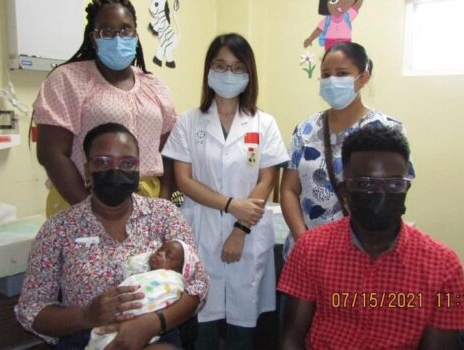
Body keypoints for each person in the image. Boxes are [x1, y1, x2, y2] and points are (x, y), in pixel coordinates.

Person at [16, 123, 208, 350]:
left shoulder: (164, 215)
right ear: (87, 171)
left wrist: (151, 324)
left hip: (156, 332)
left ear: (138, 170)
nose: (115, 171)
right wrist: (86, 315)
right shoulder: (58, 229)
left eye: (127, 163)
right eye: (103, 162)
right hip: (83, 337)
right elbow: (32, 309)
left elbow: (198, 284)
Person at [278, 126, 464, 350]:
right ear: (344, 191)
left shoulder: (445, 268)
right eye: (366, 184)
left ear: (406, 188)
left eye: (394, 184)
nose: (381, 194)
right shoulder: (311, 249)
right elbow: (291, 338)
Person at [162, 33, 289, 350]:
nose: (228, 74)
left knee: (242, 327)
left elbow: (266, 181)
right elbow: (184, 180)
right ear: (208, 71)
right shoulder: (189, 121)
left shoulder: (264, 123)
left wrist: (240, 228)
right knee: (201, 320)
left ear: (249, 74)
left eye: (236, 67)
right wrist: (232, 205)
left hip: (247, 232)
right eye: (220, 66)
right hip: (201, 230)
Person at [33, 0, 176, 218]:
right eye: (107, 31)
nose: (117, 38)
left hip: (147, 204)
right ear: (94, 37)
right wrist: (94, 214)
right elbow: (51, 154)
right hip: (81, 199)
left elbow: (168, 152)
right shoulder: (68, 79)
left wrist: (162, 205)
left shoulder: (154, 86)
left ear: (136, 35)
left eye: (125, 30)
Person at [280, 41, 415, 259]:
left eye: (342, 73)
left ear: (363, 77)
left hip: (361, 254)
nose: (332, 80)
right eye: (326, 74)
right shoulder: (305, 129)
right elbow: (288, 190)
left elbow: (395, 192)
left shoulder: (388, 129)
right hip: (305, 252)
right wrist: (303, 240)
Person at [86, 239, 200, 350]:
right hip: (102, 322)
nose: (160, 253)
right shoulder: (143, 274)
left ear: (181, 270)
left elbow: (196, 286)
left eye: (168, 256)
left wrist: (148, 324)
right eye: (160, 249)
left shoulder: (172, 280)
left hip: (154, 329)